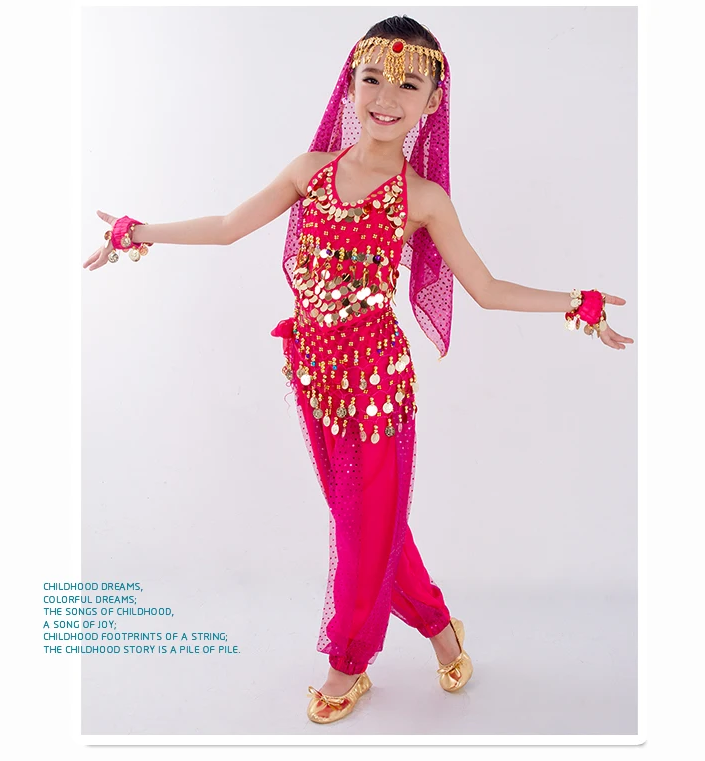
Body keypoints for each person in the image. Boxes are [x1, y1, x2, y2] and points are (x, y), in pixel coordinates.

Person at [84, 15, 634, 725]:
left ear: (433, 101)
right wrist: (136, 231)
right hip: (315, 379)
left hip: (376, 390)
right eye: (372, 78)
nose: (386, 96)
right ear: (350, 85)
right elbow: (226, 227)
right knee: (369, 525)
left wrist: (577, 302)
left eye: (408, 84)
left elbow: (487, 289)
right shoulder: (309, 171)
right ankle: (442, 630)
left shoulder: (423, 199)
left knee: (365, 534)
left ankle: (348, 662)